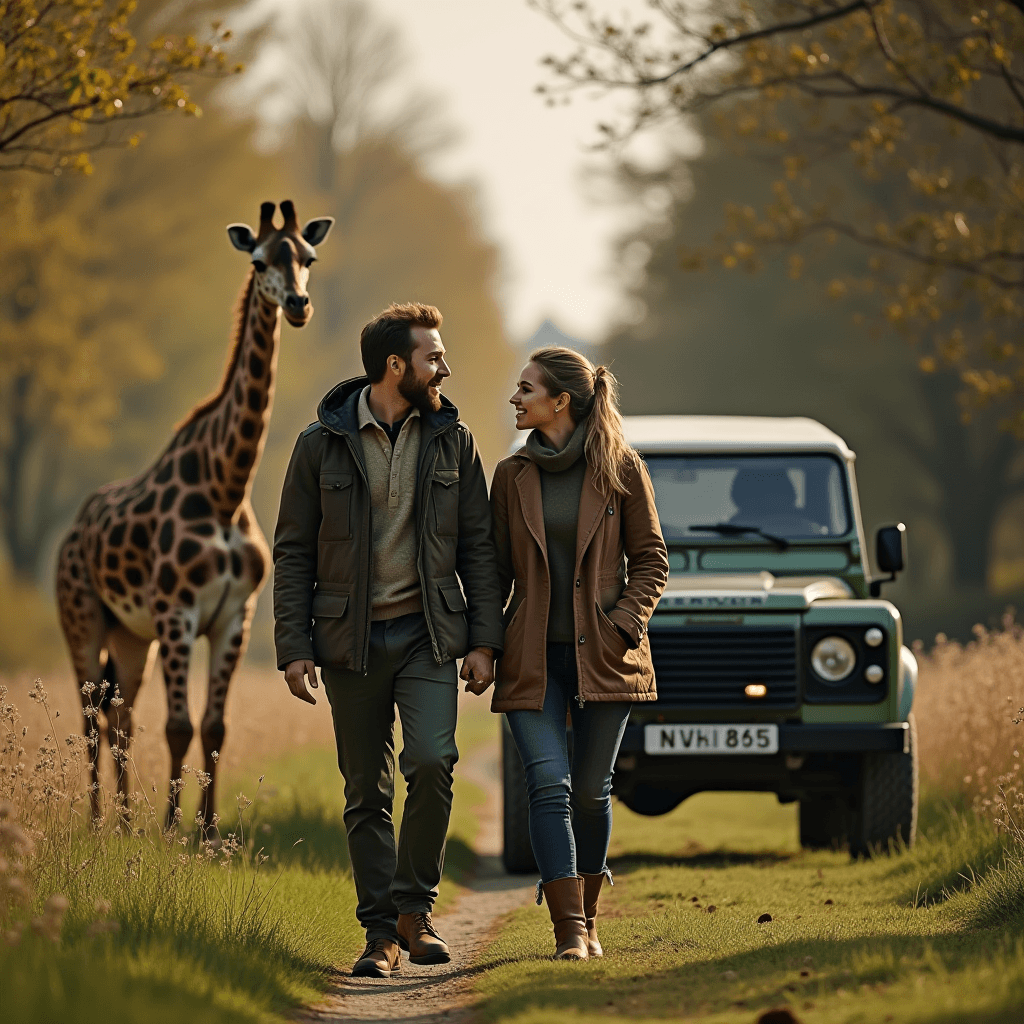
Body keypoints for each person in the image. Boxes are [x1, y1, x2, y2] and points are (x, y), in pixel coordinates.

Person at [273, 302, 503, 979]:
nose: (445, 367)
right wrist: (294, 645)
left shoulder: (453, 440)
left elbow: (479, 548)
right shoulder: (320, 444)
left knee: (432, 764)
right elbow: (292, 551)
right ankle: (379, 934)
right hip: (349, 642)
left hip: (429, 634)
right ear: (395, 366)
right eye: (434, 356)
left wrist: (484, 640)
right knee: (365, 793)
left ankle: (414, 909)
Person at [476, 346, 669, 960]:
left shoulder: (621, 469)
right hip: (531, 656)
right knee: (548, 784)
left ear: (560, 401)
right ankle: (571, 934)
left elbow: (652, 560)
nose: (515, 398)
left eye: (526, 389)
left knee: (590, 790)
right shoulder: (511, 476)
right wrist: (484, 644)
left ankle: (589, 918)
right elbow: (493, 573)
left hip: (607, 658)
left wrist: (623, 624)